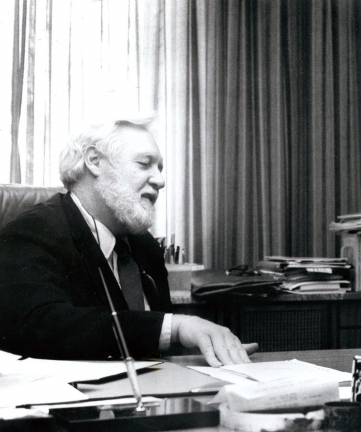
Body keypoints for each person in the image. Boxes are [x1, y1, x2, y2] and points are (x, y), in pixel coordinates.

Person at [0, 116, 257, 366]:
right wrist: (176, 326)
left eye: (160, 168)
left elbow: (149, 347)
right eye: (145, 164)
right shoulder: (31, 231)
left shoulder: (144, 245)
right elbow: (40, 325)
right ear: (94, 161)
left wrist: (211, 346)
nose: (160, 180)